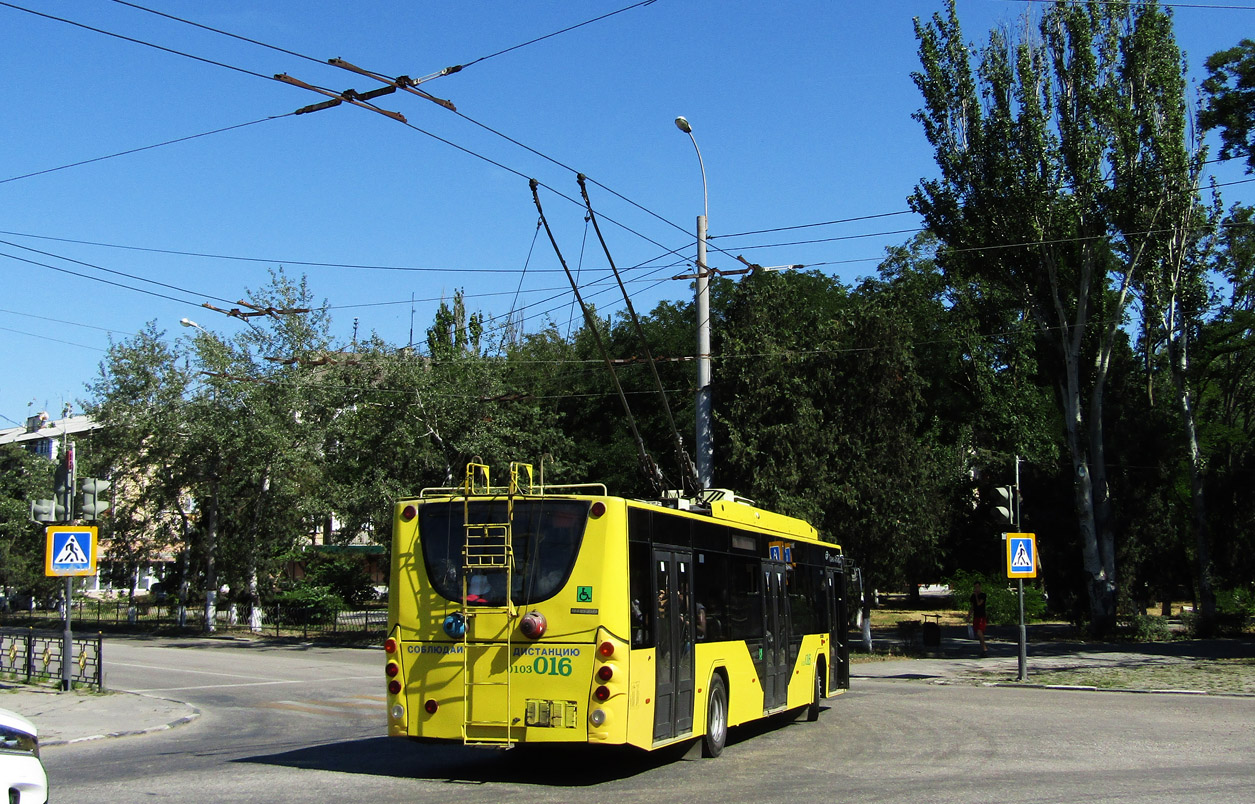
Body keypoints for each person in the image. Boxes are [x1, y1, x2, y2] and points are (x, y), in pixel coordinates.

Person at [969, 581, 988, 657]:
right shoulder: (973, 596)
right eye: (975, 587)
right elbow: (973, 606)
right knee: (977, 632)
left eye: (977, 587)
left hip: (981, 616)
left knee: (980, 631)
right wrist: (969, 615)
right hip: (976, 616)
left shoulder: (983, 595)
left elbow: (979, 603)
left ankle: (984, 648)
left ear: (980, 587)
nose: (976, 589)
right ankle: (983, 648)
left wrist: (976, 596)